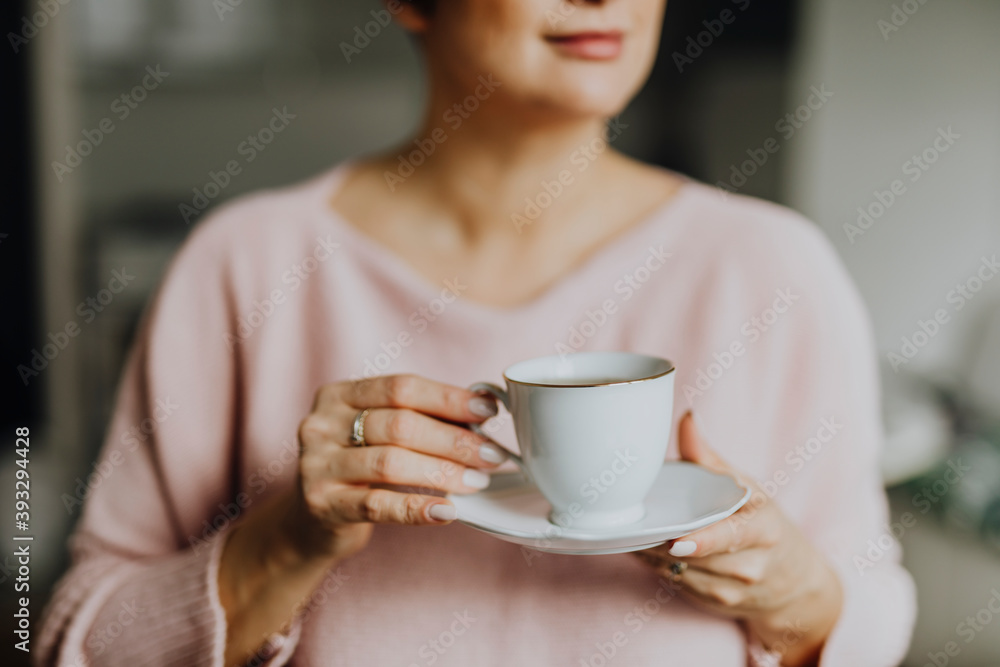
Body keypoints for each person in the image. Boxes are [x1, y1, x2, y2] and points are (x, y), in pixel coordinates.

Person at [39, 1, 915, 665]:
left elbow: (872, 612)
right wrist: (287, 536)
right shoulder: (242, 267)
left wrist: (795, 595)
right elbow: (66, 640)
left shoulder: (776, 271)